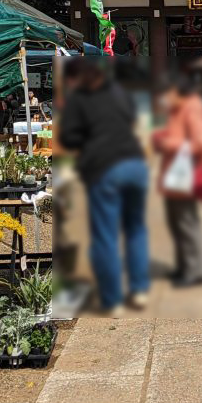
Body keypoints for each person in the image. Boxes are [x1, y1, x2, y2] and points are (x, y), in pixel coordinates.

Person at [57, 58, 150, 314]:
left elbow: (68, 137)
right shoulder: (119, 92)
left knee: (105, 236)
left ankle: (112, 299)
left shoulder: (78, 99)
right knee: (136, 229)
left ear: (74, 79)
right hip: (134, 166)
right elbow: (132, 120)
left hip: (104, 169)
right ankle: (139, 290)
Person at [153, 73, 202, 287]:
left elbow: (201, 142)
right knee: (176, 221)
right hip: (175, 174)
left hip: (186, 174)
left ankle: (194, 270)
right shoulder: (177, 110)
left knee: (186, 222)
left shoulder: (192, 109)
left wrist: (170, 144)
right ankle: (184, 265)